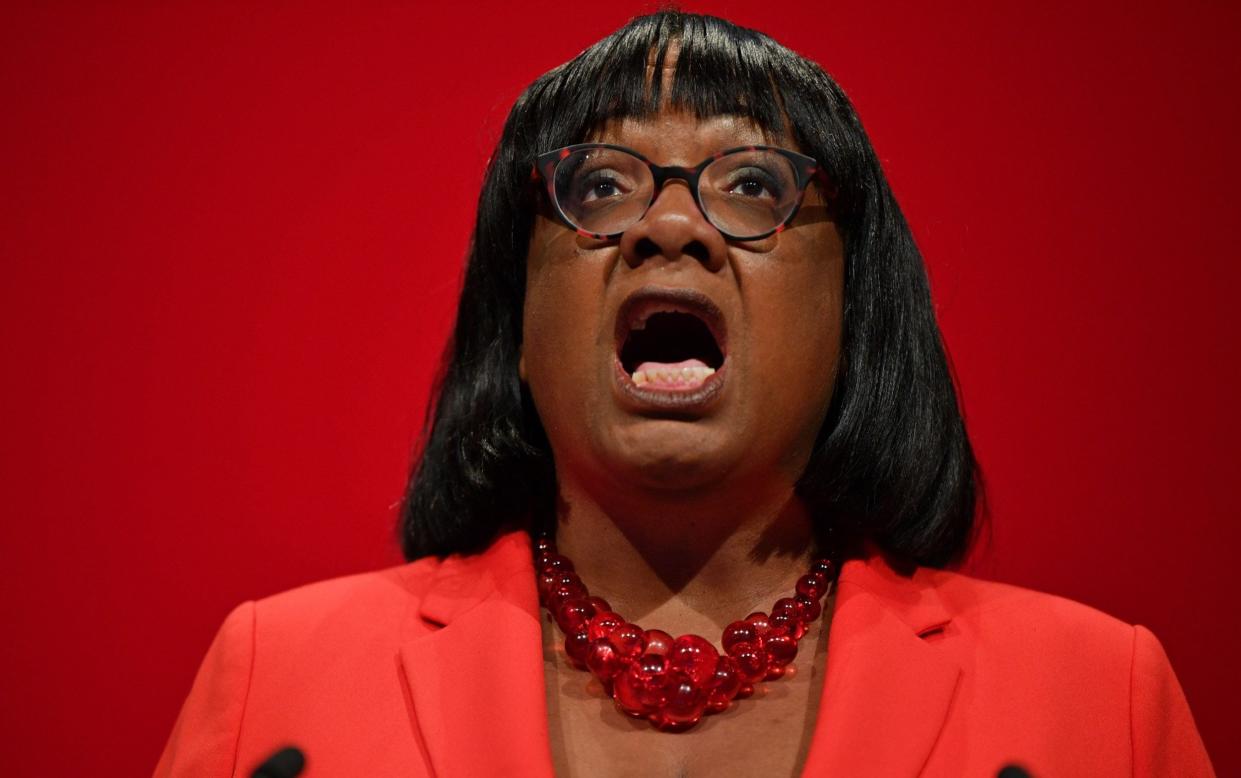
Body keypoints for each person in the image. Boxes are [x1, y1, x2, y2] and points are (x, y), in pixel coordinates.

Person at [156, 11, 1213, 777]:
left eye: (753, 183)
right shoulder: (279, 681)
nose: (670, 226)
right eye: (600, 186)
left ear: (854, 308)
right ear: (513, 317)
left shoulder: (1094, 702)